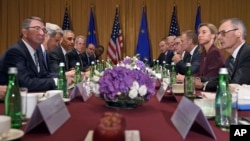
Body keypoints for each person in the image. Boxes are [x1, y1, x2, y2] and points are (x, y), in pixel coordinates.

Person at [0, 16, 57, 91]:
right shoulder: (15, 52)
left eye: (44, 30)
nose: (42, 33)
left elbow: (43, 76)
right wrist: (56, 81)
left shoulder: (38, 51)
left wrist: (63, 77)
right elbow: (25, 84)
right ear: (25, 32)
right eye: (37, 28)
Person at [204, 18, 250, 91]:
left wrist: (205, 85)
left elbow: (235, 84)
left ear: (238, 33)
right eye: (219, 34)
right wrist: (203, 84)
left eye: (223, 33)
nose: (218, 37)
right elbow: (220, 79)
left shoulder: (248, 53)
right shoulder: (230, 59)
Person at [194, 23, 225, 90]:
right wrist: (188, 77)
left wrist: (190, 78)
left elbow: (211, 76)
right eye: (199, 33)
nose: (199, 35)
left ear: (213, 35)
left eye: (204, 32)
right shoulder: (204, 53)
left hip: (212, 90)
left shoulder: (215, 52)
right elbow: (200, 74)